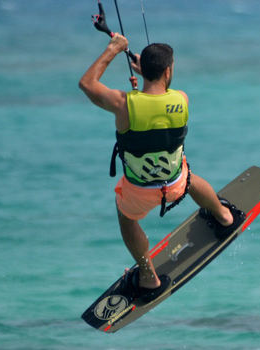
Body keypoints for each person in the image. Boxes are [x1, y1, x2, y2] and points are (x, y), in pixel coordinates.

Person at [79, 33, 245, 302]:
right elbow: (158, 99)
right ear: (168, 71)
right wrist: (146, 76)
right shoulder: (182, 99)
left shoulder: (123, 104)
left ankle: (148, 276)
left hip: (139, 192)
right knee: (189, 176)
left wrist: (113, 49)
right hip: (176, 183)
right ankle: (224, 216)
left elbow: (86, 84)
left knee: (126, 218)